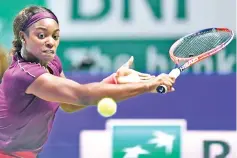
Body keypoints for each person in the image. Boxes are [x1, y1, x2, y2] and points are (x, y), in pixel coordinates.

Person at [0, 5, 176, 158]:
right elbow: (82, 95)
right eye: (41, 35)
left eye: (55, 36)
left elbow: (69, 104)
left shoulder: (52, 64)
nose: (50, 42)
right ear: (23, 37)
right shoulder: (23, 74)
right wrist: (148, 85)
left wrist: (115, 80)